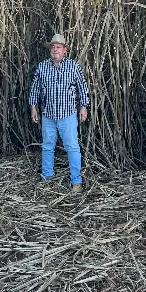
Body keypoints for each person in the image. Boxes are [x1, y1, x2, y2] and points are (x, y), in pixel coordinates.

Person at [30, 33, 89, 194]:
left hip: (67, 115)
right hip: (48, 115)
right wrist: (33, 107)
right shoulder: (42, 67)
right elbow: (35, 88)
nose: (55, 50)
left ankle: (76, 181)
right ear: (50, 49)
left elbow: (82, 87)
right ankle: (47, 177)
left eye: (58, 47)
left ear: (64, 50)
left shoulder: (73, 66)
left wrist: (84, 106)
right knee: (48, 147)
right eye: (53, 47)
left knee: (72, 148)